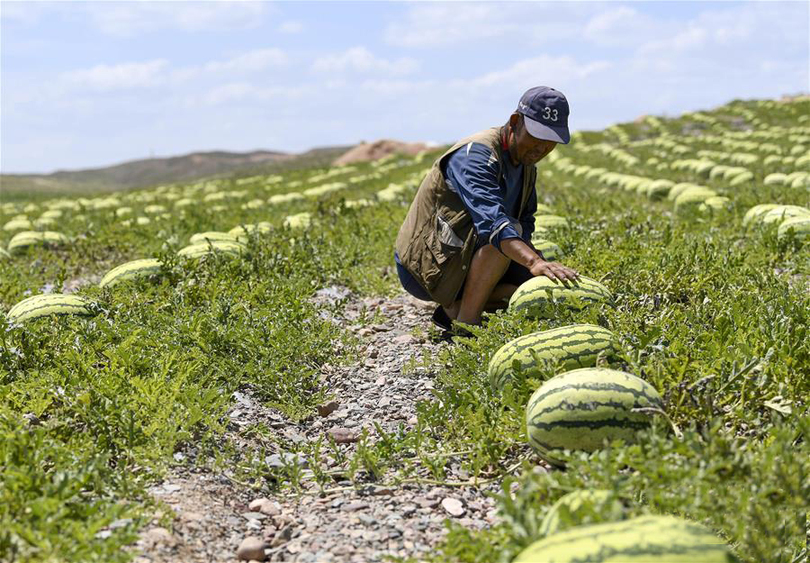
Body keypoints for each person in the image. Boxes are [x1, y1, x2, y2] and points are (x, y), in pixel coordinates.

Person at [394, 86, 580, 338]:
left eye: (551, 142)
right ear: (515, 122)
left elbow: (526, 221)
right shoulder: (475, 156)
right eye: (537, 137)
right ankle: (465, 326)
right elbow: (493, 224)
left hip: (466, 253)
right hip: (426, 264)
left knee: (535, 289)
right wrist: (534, 261)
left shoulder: (526, 165)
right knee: (502, 244)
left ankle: (454, 310)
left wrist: (538, 267)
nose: (542, 148)